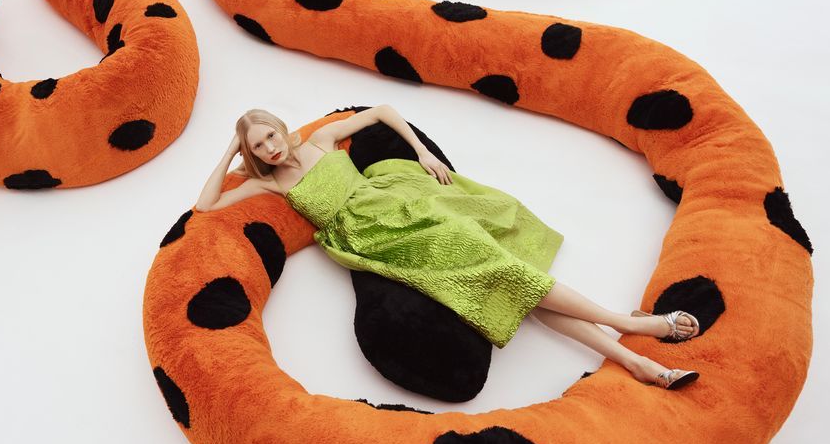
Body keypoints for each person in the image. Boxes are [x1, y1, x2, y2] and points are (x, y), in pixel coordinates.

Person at [195, 105, 702, 390]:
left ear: (281, 128)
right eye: (257, 146)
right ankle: (635, 348)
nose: (269, 148)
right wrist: (229, 148)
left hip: (408, 212)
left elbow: (382, 111)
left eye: (269, 136)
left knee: (510, 276)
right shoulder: (269, 184)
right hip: (376, 244)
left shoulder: (320, 141)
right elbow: (206, 204)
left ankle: (632, 336)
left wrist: (422, 151)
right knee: (511, 285)